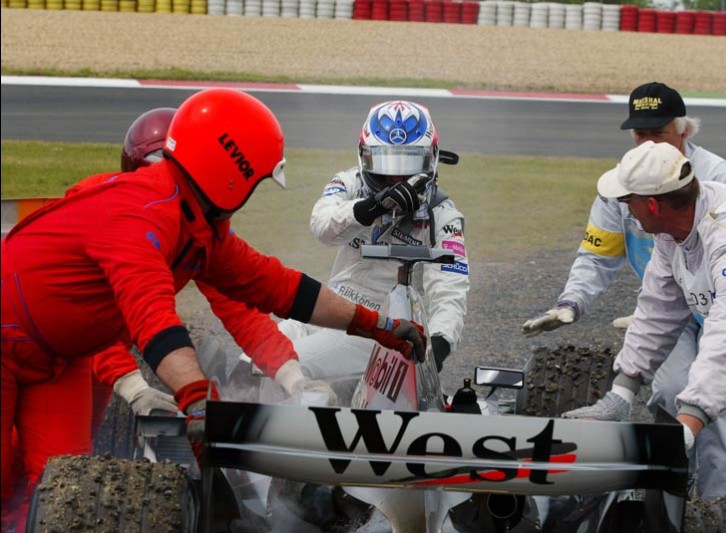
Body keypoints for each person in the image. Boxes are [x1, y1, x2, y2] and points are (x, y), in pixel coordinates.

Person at [0, 89, 427, 531]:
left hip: (58, 358)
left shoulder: (198, 226)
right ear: (233, 173)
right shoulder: (139, 213)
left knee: (58, 490)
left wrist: (376, 324)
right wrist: (195, 400)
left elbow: (279, 288)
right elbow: (153, 320)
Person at [522, 82, 726, 498]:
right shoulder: (622, 181)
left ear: (684, 131)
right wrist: (571, 302)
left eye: (657, 134)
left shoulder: (720, 177)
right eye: (639, 134)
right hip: (670, 305)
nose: (646, 142)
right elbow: (597, 254)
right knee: (668, 389)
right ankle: (669, 487)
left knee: (724, 403)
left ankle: (721, 507)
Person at [563, 141, 726, 512]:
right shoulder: (678, 227)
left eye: (629, 201)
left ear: (653, 204)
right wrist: (621, 394)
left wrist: (687, 426)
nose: (625, 209)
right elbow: (658, 306)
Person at [273, 99, 469, 383]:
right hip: (330, 308)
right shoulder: (349, 183)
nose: (396, 178)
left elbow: (450, 290)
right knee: (255, 353)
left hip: (382, 330)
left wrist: (438, 345)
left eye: (408, 165)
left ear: (431, 159)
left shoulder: (443, 216)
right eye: (385, 163)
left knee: (282, 364)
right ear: (364, 156)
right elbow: (321, 227)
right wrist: (370, 208)